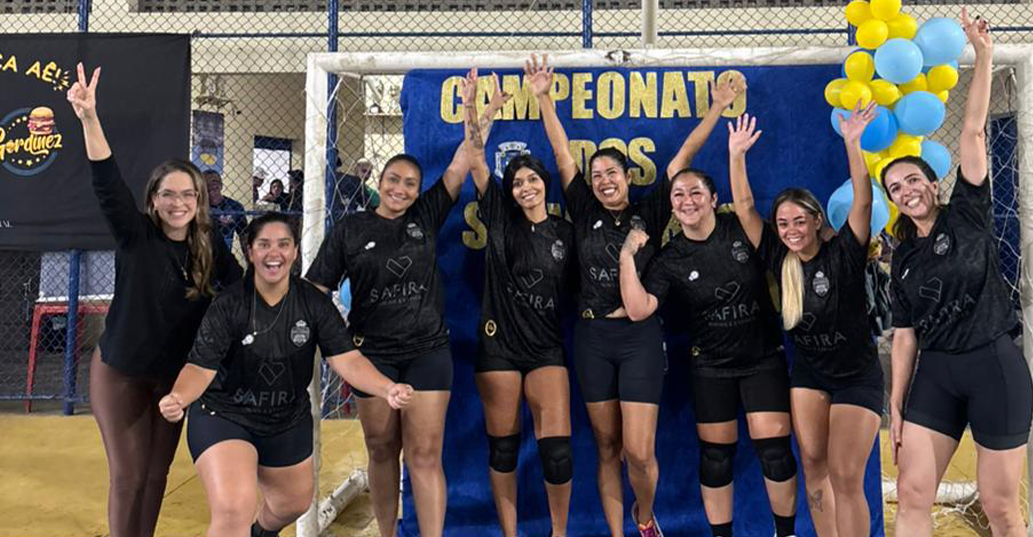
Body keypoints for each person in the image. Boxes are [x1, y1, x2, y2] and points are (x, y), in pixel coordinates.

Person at [529, 53, 739, 537]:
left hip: (640, 338)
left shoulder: (651, 209)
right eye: (597, 174)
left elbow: (683, 158)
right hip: (592, 338)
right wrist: (544, 98)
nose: (603, 180)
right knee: (606, 447)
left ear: (627, 177)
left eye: (612, 173)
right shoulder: (581, 208)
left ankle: (644, 517)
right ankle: (618, 533)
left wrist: (717, 108)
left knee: (639, 451)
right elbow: (562, 154)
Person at [68, 62, 244, 537]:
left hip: (173, 380)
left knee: (156, 476)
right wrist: (89, 118)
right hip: (121, 372)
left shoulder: (211, 247)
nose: (178, 202)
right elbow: (106, 181)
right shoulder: (136, 234)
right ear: (153, 200)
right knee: (128, 477)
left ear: (200, 201)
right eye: (168, 194)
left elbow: (244, 293)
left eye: (188, 194)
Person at [157, 212, 414, 537]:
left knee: (293, 502)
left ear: (294, 252)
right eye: (263, 244)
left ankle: (260, 534)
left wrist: (386, 387)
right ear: (249, 251)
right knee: (235, 507)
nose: (273, 253)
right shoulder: (229, 305)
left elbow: (347, 359)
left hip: (286, 419)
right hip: (226, 415)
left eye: (283, 244)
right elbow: (199, 367)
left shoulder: (313, 304)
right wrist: (180, 396)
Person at [884, 11, 1033, 537]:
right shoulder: (901, 258)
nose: (906, 190)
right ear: (894, 203)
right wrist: (896, 405)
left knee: (999, 507)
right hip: (938, 375)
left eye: (912, 179)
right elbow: (904, 337)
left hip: (993, 366)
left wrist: (983, 54)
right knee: (913, 498)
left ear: (931, 179)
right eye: (895, 189)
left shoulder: (968, 210)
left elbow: (971, 128)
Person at [304, 96, 482, 537]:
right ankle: (388, 532)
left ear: (420, 191)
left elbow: (464, 158)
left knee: (424, 454)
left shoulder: (426, 215)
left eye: (409, 183)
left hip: (428, 353)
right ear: (380, 182)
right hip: (372, 357)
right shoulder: (351, 230)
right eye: (393, 180)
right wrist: (336, 337)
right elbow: (314, 292)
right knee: (382, 449)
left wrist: (478, 113)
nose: (400, 189)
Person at [618, 165, 800, 536]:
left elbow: (758, 214)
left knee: (775, 451)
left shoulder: (739, 229)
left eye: (696, 193)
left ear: (714, 200)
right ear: (671, 206)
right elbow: (639, 309)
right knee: (717, 458)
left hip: (761, 359)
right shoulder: (670, 258)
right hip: (711, 367)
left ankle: (787, 532)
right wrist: (625, 258)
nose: (688, 201)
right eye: (679, 195)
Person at [727, 102, 881, 537]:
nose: (791, 229)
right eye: (782, 222)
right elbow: (742, 206)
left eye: (799, 220)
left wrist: (853, 142)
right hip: (810, 375)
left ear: (817, 220)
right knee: (813, 466)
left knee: (847, 475)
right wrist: (736, 155)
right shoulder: (779, 257)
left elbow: (863, 195)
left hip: (856, 377)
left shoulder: (845, 253)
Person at [461, 70, 575, 537]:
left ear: (545, 184)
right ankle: (510, 533)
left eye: (532, 179)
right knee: (503, 448)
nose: (525, 186)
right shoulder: (501, 221)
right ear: (509, 192)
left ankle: (559, 531)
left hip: (546, 348)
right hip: (499, 349)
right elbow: (474, 155)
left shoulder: (566, 234)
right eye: (517, 182)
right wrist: (475, 107)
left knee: (558, 452)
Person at [205, 169, 249, 251]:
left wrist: (250, 261)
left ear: (221, 185)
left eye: (214, 181)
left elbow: (244, 236)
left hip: (224, 257)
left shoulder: (235, 207)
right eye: (206, 183)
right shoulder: (196, 206)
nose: (210, 185)